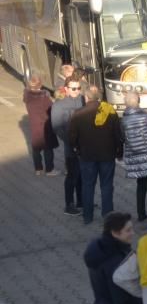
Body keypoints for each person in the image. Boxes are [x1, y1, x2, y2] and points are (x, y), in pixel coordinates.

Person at [69, 85, 123, 225]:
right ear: (98, 97)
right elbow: (118, 134)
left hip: (87, 157)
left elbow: (72, 137)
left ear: (86, 97)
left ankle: (88, 216)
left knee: (87, 185)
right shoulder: (110, 111)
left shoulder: (78, 113)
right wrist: (119, 152)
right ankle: (108, 215)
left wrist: (76, 148)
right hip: (107, 155)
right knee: (106, 185)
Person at [120, 93, 147, 221]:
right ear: (138, 101)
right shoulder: (145, 116)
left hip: (133, 156)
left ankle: (141, 213)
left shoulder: (123, 120)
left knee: (141, 184)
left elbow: (122, 137)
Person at [51, 75, 85, 215]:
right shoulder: (59, 105)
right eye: (73, 88)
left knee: (82, 176)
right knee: (72, 176)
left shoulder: (84, 101)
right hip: (71, 148)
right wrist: (71, 142)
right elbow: (57, 127)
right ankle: (69, 204)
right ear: (66, 89)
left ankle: (81, 201)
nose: (76, 91)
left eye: (78, 88)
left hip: (85, 147)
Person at [23, 76, 58, 176]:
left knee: (36, 148)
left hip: (34, 124)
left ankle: (38, 169)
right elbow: (52, 108)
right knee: (48, 148)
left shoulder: (27, 96)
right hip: (44, 124)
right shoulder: (44, 97)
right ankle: (49, 170)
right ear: (40, 85)